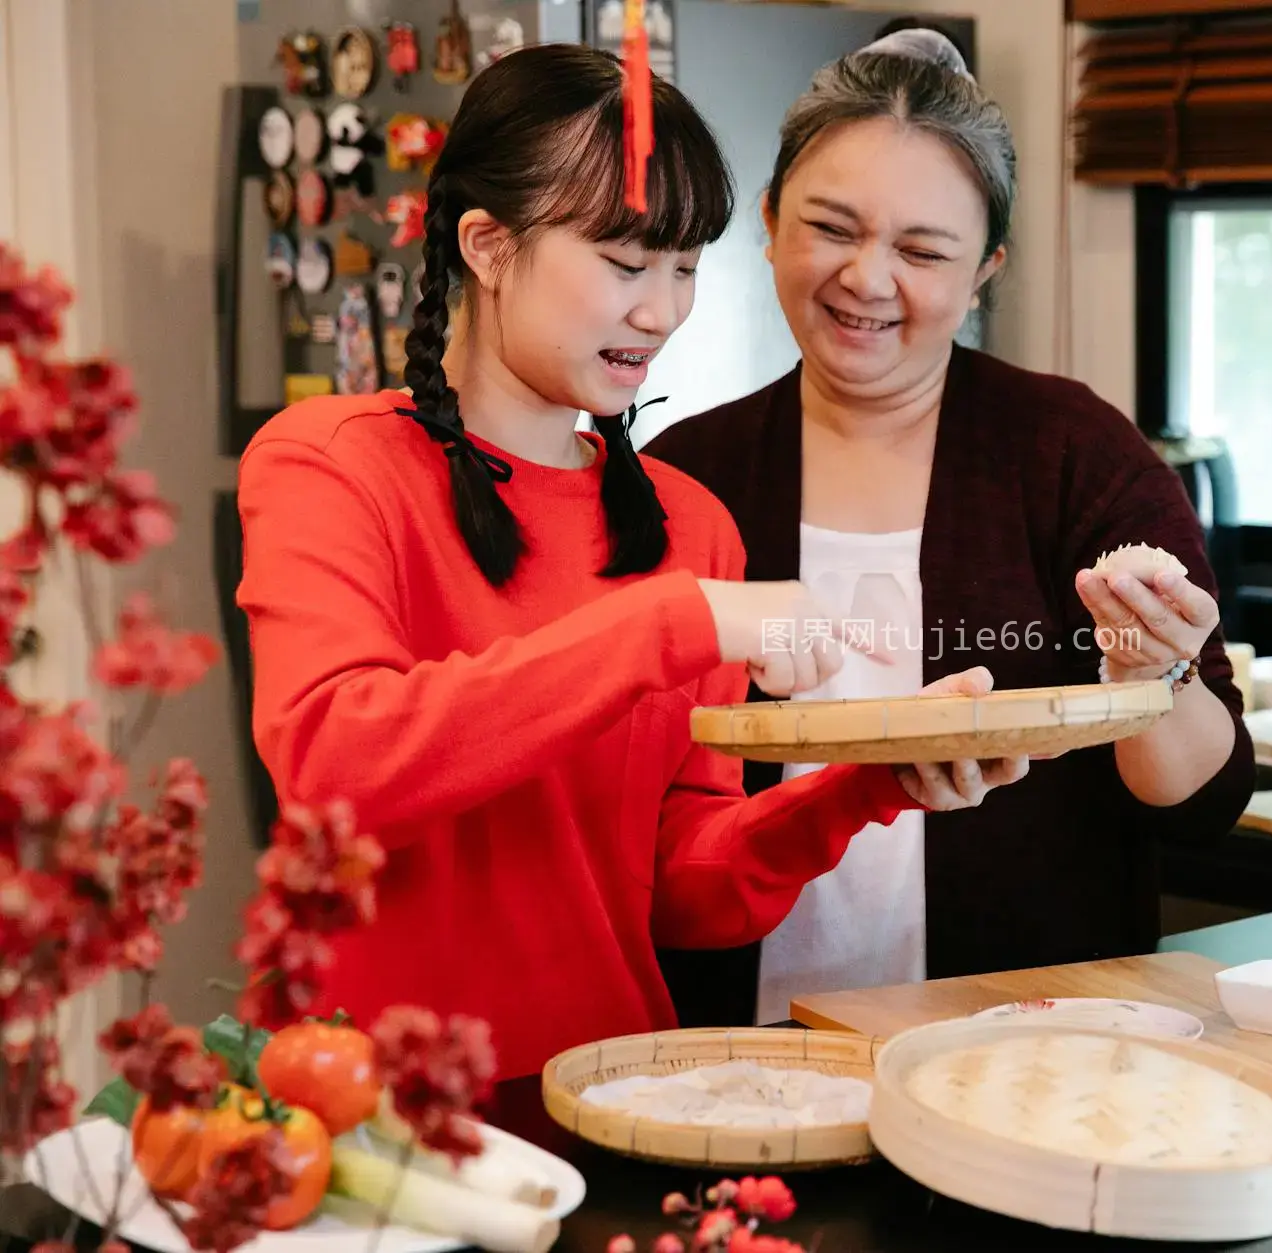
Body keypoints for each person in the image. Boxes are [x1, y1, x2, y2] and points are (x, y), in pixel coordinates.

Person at [233, 43, 1025, 1081]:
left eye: (685, 266)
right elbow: (339, 764)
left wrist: (862, 786)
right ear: (486, 243)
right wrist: (676, 622)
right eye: (623, 262)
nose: (661, 310)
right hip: (358, 1119)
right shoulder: (330, 464)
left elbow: (682, 892)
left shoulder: (689, 526)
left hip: (605, 1100)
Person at [645, 29, 1257, 1028]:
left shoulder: (1070, 452)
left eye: (922, 250)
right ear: (766, 221)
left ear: (984, 269)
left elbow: (1201, 802)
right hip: (734, 1043)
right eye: (830, 228)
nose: (866, 279)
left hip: (1026, 1043)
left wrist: (1156, 678)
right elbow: (628, 797)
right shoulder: (687, 470)